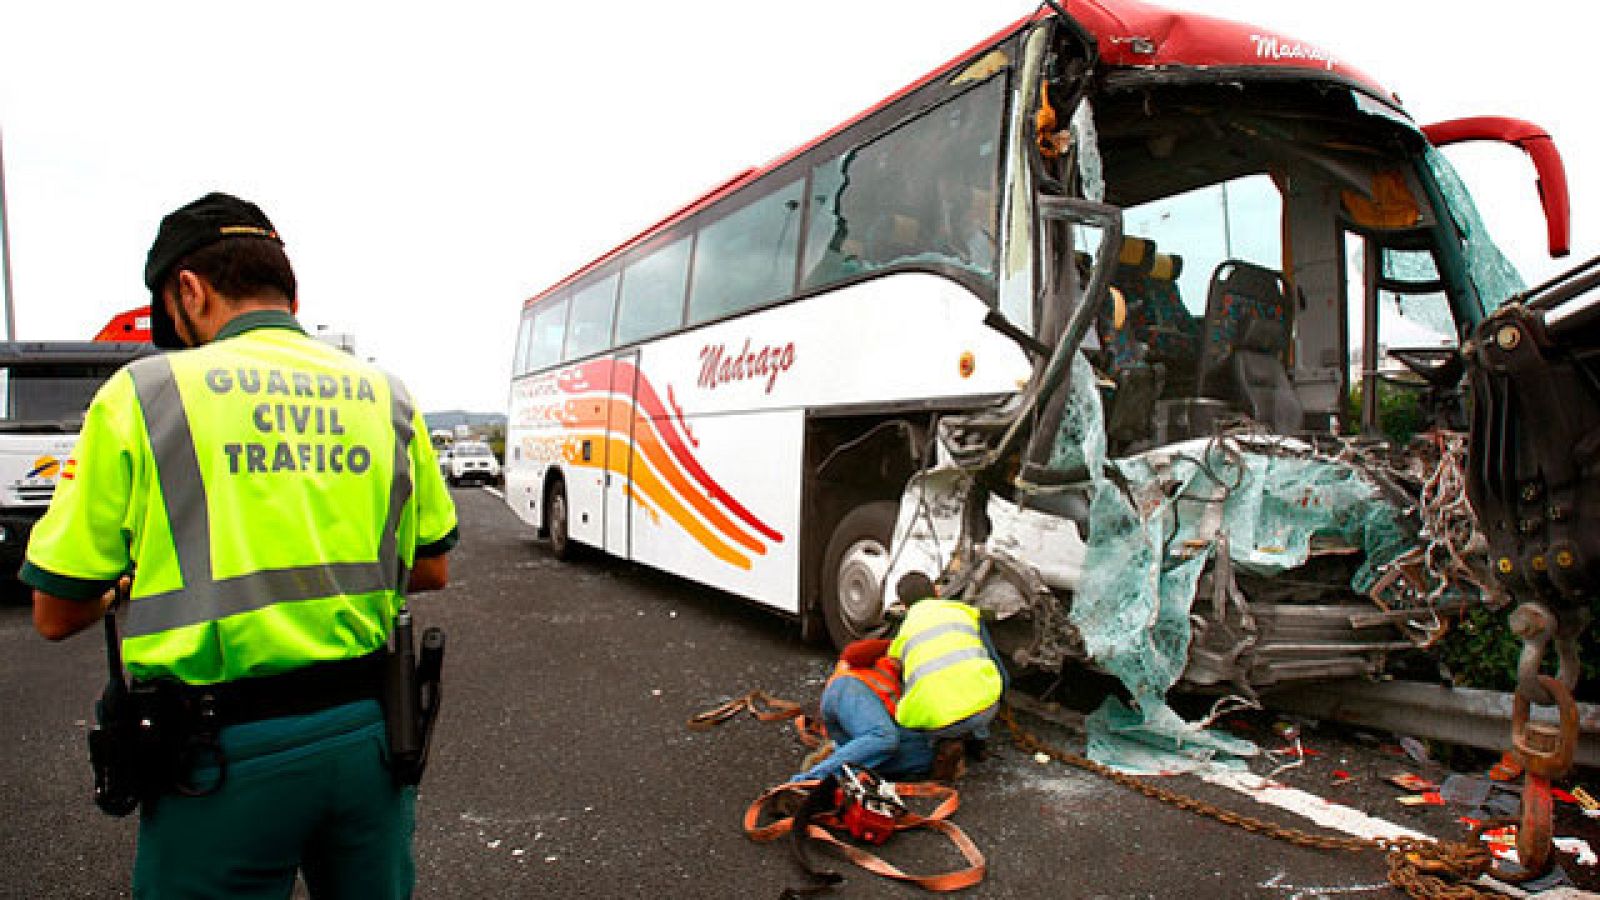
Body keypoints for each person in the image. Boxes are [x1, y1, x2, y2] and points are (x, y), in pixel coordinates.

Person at [22, 192, 459, 899]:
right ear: (287, 288)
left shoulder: (143, 393)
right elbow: (431, 566)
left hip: (220, 760)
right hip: (367, 742)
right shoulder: (387, 395)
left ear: (188, 290)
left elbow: (54, 611)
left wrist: (125, 585)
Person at [889, 572, 1008, 759]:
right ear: (936, 591)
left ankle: (934, 746)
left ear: (904, 605)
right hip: (985, 711)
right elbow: (998, 667)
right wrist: (1000, 696)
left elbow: (898, 673)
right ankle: (979, 739)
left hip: (940, 725)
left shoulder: (904, 632)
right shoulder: (965, 613)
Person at [790, 638, 935, 784]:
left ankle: (839, 776)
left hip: (854, 723)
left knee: (924, 754)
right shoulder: (899, 647)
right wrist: (897, 642)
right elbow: (852, 654)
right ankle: (809, 781)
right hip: (849, 687)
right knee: (884, 736)